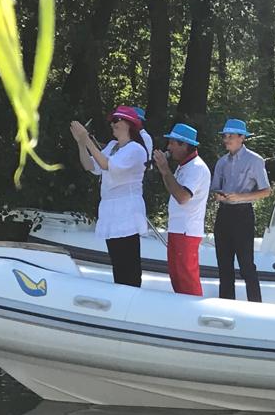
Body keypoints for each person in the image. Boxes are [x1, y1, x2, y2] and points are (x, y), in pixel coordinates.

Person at [69, 105, 148, 287]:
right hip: (111, 211)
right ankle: (120, 295)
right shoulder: (113, 146)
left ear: (129, 124)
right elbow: (90, 166)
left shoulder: (136, 149)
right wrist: (81, 143)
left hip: (127, 212)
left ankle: (131, 296)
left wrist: (87, 139)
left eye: (116, 120)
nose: (112, 124)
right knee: (117, 262)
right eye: (112, 121)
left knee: (128, 264)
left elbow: (106, 165)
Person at [210, 118, 272, 302]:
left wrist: (240, 197)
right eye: (225, 136)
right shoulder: (222, 162)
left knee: (246, 266)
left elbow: (266, 191)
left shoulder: (254, 160)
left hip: (243, 214)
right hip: (223, 214)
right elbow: (214, 189)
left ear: (242, 138)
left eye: (231, 136)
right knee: (224, 265)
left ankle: (255, 306)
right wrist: (218, 196)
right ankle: (226, 305)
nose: (226, 139)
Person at [152, 123, 211, 296]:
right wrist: (165, 171)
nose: (168, 147)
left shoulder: (196, 167)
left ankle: (193, 309)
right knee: (177, 277)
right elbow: (174, 189)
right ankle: (183, 308)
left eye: (172, 143)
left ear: (184, 145)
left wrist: (165, 169)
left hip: (187, 231)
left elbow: (182, 197)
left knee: (187, 279)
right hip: (179, 229)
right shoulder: (185, 165)